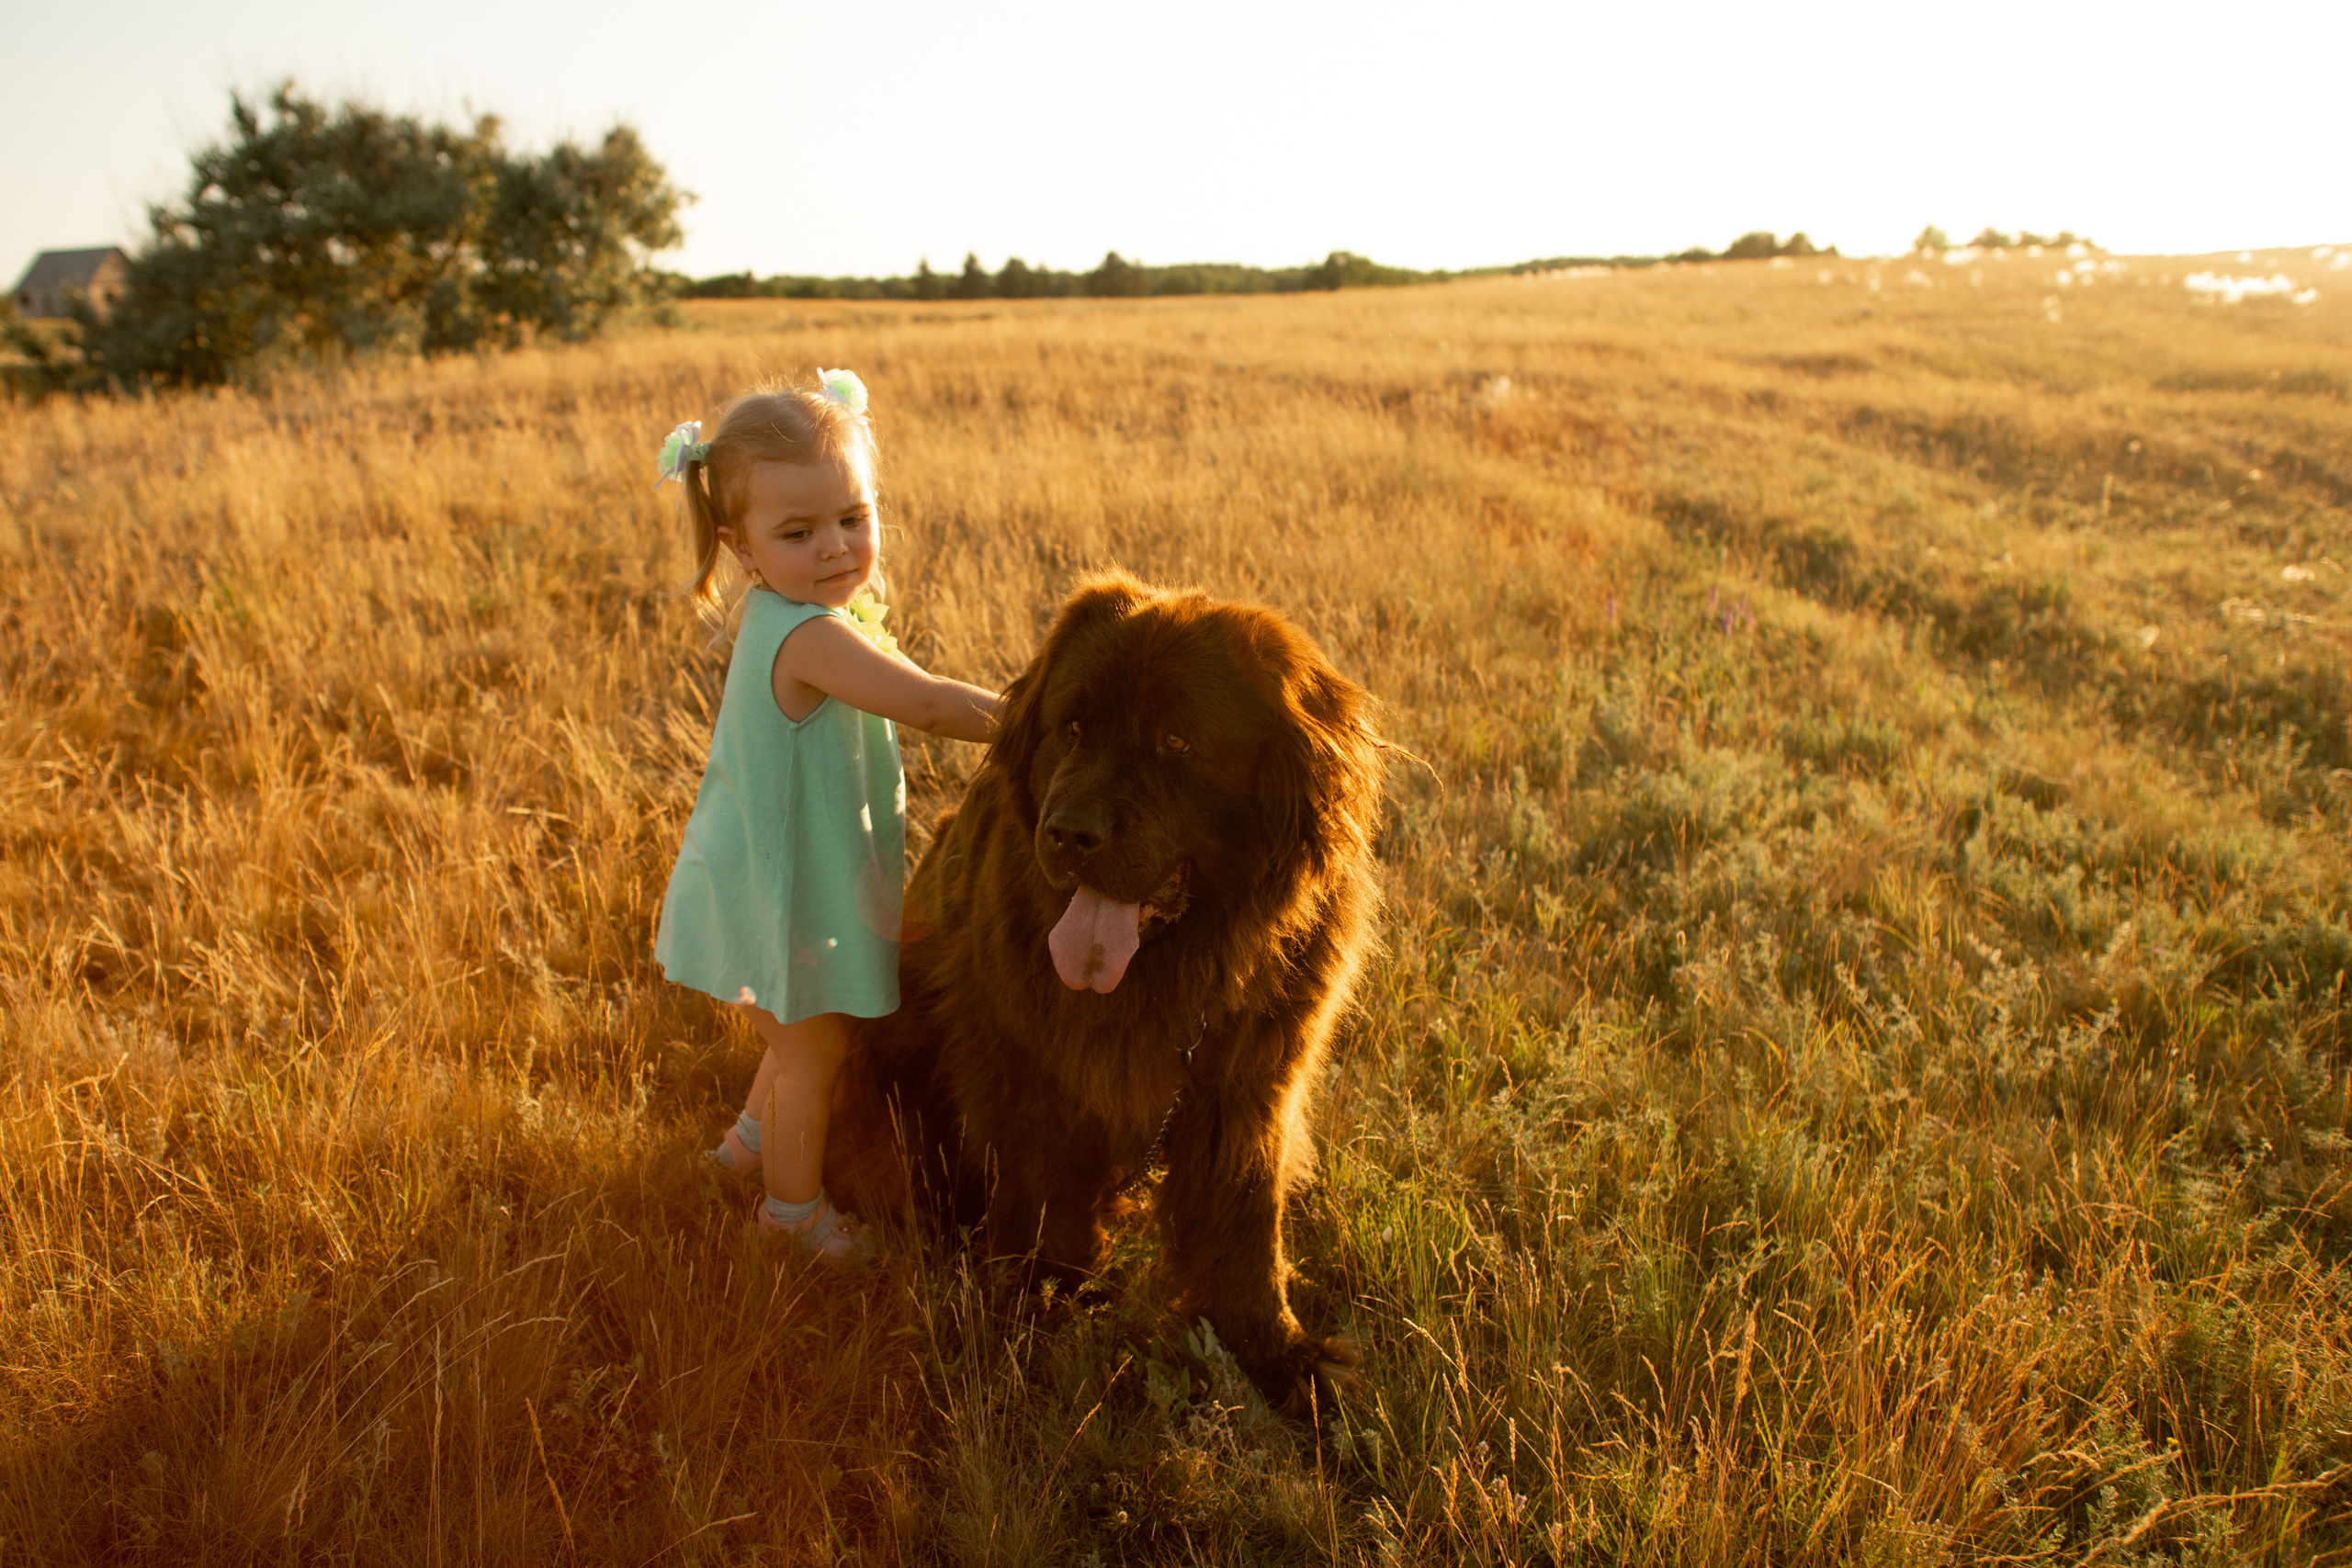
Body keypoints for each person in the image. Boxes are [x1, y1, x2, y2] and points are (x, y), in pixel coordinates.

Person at [653, 370, 1001, 1260]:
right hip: (780, 890)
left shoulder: (798, 610)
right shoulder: (809, 636)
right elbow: (923, 704)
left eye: (853, 517)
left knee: (804, 1023)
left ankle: (744, 1148)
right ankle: (792, 1216)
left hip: (776, 878)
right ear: (741, 547)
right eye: (799, 532)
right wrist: (1029, 720)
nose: (838, 546)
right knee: (815, 1056)